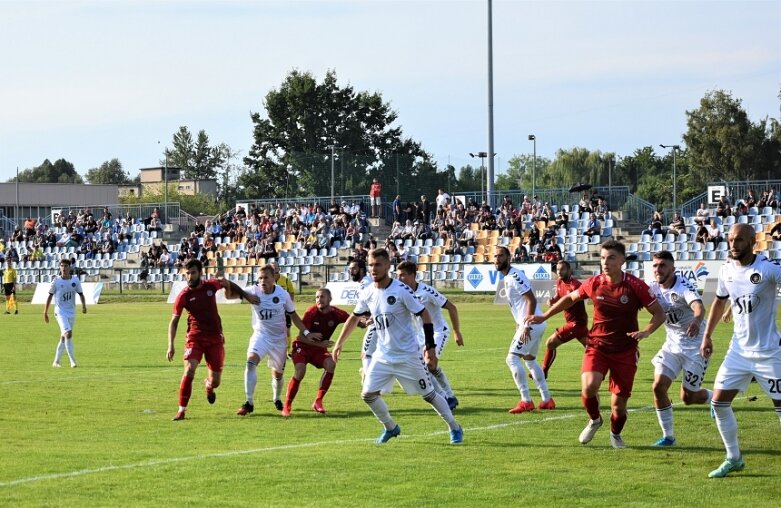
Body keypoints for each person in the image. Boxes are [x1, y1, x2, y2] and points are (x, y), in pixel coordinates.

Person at [526, 240, 665, 448]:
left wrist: (645, 331)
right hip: (597, 345)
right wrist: (544, 316)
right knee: (589, 387)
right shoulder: (595, 282)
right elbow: (570, 298)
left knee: (618, 407)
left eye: (611, 258)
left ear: (622, 261)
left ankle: (615, 434)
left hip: (625, 350)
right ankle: (595, 419)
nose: (605, 262)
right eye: (602, 258)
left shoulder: (635, 286)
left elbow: (659, 313)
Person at [332, 248, 463, 445]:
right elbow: (354, 317)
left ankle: (454, 427)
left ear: (387, 266)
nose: (373, 269)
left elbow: (424, 314)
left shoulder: (401, 291)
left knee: (429, 395)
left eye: (378, 265)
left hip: (408, 355)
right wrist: (339, 343)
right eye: (371, 265)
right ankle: (391, 428)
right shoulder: (368, 292)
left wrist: (430, 347)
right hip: (383, 356)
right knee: (367, 395)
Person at [700, 224, 781, 478]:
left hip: (769, 352)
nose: (733, 244)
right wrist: (707, 335)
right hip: (738, 351)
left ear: (753, 242)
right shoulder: (725, 270)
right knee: (719, 402)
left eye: (739, 240)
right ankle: (734, 458)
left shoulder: (767, 269)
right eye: (731, 240)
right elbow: (719, 301)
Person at [167, 259, 256, 421]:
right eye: (187, 273)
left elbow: (226, 282)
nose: (189, 276)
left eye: (192, 273)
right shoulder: (183, 296)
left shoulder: (211, 285)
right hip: (195, 338)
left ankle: (208, 386)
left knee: (215, 382)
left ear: (200, 273)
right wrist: (170, 345)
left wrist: (244, 295)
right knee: (189, 370)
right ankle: (181, 410)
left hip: (215, 338)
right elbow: (174, 321)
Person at [648, 251, 713, 447]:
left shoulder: (683, 286)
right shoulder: (651, 288)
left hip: (696, 347)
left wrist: (696, 320)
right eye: (655, 265)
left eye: (663, 265)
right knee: (658, 387)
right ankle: (668, 437)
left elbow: (699, 307)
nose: (658, 269)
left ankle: (715, 397)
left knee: (688, 398)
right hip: (672, 345)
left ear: (672, 269)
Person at [236, 265, 315, 416]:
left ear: (274, 278)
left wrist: (306, 332)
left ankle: (276, 398)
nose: (262, 280)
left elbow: (293, 315)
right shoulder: (253, 291)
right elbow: (234, 292)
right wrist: (226, 285)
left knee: (277, 374)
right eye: (260, 278)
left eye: (266, 277)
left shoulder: (282, 294)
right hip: (261, 335)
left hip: (279, 339)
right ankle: (249, 402)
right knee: (250, 362)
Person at [493, 246, 555, 413]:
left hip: (532, 324)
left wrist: (526, 325)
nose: (497, 259)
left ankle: (526, 400)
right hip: (532, 324)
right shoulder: (508, 277)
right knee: (530, 360)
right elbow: (519, 303)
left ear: (508, 258)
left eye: (500, 256)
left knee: (512, 359)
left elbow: (531, 300)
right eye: (495, 256)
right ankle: (547, 399)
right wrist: (519, 323)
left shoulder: (514, 275)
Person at [396, 260, 465, 410]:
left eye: (402, 276)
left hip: (438, 332)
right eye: (397, 276)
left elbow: (452, 307)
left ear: (412, 275)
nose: (399, 279)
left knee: (429, 364)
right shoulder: (401, 294)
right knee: (425, 368)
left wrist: (456, 331)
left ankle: (446, 397)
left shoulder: (427, 292)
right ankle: (449, 396)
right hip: (420, 335)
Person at [282, 288, 349, 416]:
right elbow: (301, 337)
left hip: (318, 349)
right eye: (317, 297)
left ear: (330, 299)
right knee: (300, 371)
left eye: (322, 297)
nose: (319, 300)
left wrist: (364, 321)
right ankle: (287, 405)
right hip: (302, 347)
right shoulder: (311, 313)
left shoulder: (336, 313)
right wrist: (319, 343)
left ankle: (318, 401)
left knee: (331, 364)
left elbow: (352, 319)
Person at [540, 260, 588, 379]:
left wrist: (554, 307)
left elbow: (568, 303)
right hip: (576, 324)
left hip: (576, 324)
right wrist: (553, 300)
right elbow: (558, 296)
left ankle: (543, 371)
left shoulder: (575, 286)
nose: (559, 272)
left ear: (569, 270)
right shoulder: (559, 282)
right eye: (557, 269)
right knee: (593, 349)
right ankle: (603, 369)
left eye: (562, 269)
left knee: (550, 343)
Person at [44, 259, 88, 368]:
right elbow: (49, 296)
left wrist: (83, 306)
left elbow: (81, 294)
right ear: (59, 267)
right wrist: (45, 312)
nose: (63, 268)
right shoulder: (56, 281)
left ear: (70, 267)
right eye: (62, 266)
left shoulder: (75, 280)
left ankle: (56, 362)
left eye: (66, 266)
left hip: (71, 312)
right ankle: (73, 362)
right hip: (60, 312)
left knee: (64, 337)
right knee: (68, 333)